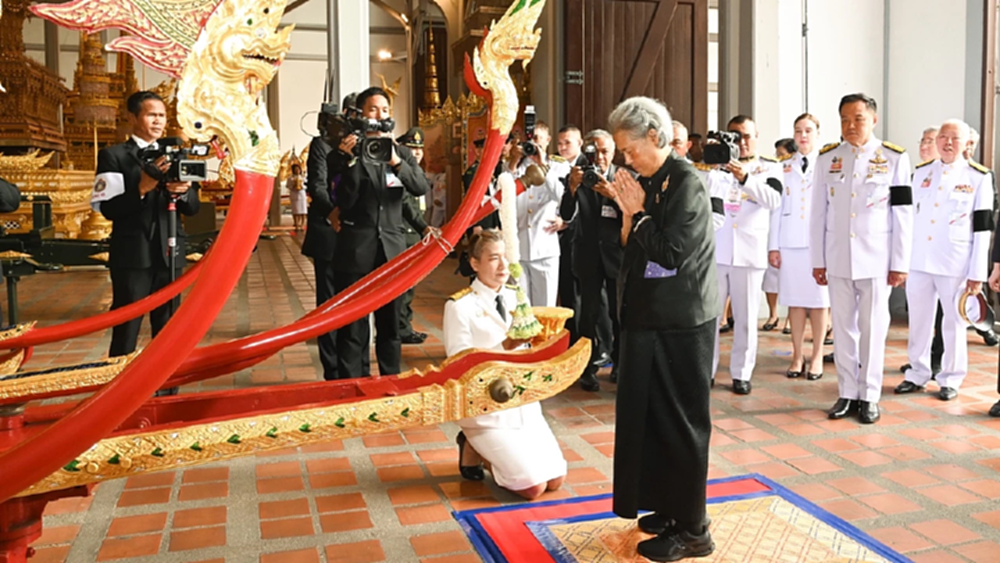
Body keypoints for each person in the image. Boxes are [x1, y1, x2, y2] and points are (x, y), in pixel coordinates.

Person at [607, 96, 717, 562]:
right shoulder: (652, 180)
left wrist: (640, 213)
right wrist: (632, 214)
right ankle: (670, 508)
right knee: (652, 421)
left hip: (681, 322)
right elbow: (633, 246)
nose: (624, 160)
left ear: (656, 136)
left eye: (629, 150)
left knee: (682, 424)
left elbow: (671, 253)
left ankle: (694, 529)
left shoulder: (687, 182)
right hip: (649, 315)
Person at [811, 93, 912, 424]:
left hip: (876, 260)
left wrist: (900, 262)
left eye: (858, 118)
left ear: (873, 120)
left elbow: (903, 215)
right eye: (844, 119)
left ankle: (869, 395)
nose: (850, 126)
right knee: (842, 330)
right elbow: (817, 213)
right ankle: (847, 393)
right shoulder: (828, 158)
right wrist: (818, 259)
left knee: (872, 328)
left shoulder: (894, 158)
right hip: (838, 258)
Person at [444, 229, 567, 500]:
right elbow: (459, 364)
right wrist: (504, 347)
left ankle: (479, 450)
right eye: (493, 258)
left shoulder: (516, 296)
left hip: (522, 404)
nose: (503, 266)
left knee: (556, 479)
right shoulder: (459, 306)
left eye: (506, 257)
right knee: (532, 488)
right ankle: (474, 444)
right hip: (486, 409)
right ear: (474, 263)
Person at [94, 91, 200, 371]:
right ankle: (116, 388)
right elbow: (108, 209)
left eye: (162, 115)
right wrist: (141, 187)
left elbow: (193, 208)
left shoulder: (179, 154)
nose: (158, 121)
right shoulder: (113, 156)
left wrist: (184, 192)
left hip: (171, 255)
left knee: (169, 330)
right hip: (132, 257)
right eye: (151, 114)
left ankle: (166, 389)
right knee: (126, 329)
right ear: (133, 117)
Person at [333, 86, 429, 378]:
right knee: (352, 325)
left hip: (392, 251)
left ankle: (390, 381)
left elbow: (420, 187)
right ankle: (352, 385)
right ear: (360, 114)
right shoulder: (346, 153)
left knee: (390, 323)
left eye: (385, 109)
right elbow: (344, 203)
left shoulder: (400, 154)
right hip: (355, 250)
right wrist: (349, 161)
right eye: (373, 109)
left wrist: (396, 162)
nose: (379, 115)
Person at [894, 120, 992, 402]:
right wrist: (901, 262)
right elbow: (906, 218)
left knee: (954, 323)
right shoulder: (921, 173)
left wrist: (977, 273)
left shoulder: (978, 177)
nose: (948, 143)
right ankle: (917, 372)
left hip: (956, 262)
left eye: (954, 138)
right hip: (919, 261)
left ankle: (951, 378)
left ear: (966, 144)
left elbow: (983, 227)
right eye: (943, 137)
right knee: (920, 321)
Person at [707, 115, 783, 395]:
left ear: (756, 136)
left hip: (750, 253)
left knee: (747, 317)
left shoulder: (770, 167)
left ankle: (741, 372)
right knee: (711, 316)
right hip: (718, 251)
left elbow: (774, 200)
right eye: (735, 135)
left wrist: (745, 177)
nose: (742, 141)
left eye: (747, 135)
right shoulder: (714, 166)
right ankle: (708, 370)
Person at [560, 129, 623, 392]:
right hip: (586, 255)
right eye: (593, 151)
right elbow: (565, 214)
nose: (599, 157)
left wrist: (614, 195)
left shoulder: (623, 177)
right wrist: (572, 188)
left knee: (618, 313)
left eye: (605, 151)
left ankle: (620, 363)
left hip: (616, 257)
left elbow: (633, 213)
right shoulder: (576, 176)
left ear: (614, 152)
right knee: (588, 314)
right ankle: (587, 369)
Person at [769, 113, 828, 380]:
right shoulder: (782, 167)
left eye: (808, 131)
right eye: (798, 131)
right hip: (790, 243)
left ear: (817, 134)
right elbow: (776, 210)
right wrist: (774, 246)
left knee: (819, 303)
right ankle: (796, 356)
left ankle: (816, 356)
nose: (803, 136)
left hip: (819, 244)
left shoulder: (828, 164)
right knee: (794, 303)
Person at [303, 93, 357, 380]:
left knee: (356, 303)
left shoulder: (366, 145)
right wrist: (332, 214)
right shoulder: (321, 146)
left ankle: (353, 366)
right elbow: (318, 186)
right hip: (329, 234)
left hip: (357, 236)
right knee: (329, 303)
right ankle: (333, 369)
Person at [396, 127, 431, 345]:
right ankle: (402, 328)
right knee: (403, 286)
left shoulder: (417, 173)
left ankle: (404, 325)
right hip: (405, 233)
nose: (416, 153)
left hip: (414, 236)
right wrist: (422, 227)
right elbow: (406, 203)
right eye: (411, 148)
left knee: (410, 285)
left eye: (419, 149)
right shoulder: (403, 173)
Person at [286, 163, 307, 231]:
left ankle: (302, 223)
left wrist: (302, 186)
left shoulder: (303, 177)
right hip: (294, 194)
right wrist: (293, 186)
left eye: (298, 169)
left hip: (302, 194)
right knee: (295, 210)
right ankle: (296, 223)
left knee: (303, 210)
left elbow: (307, 185)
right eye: (295, 170)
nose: (297, 171)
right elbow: (288, 186)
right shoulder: (290, 178)